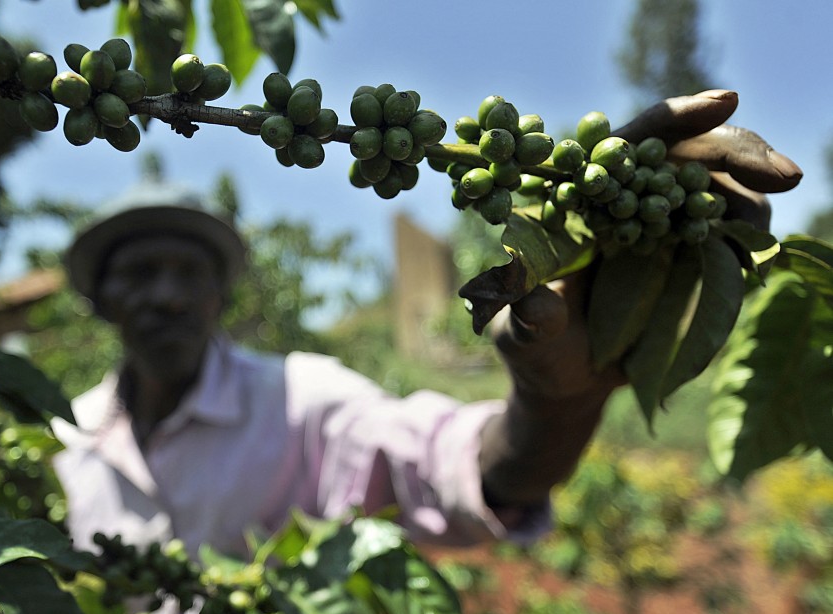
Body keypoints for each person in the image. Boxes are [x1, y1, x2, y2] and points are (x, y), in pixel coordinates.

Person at [51, 90, 802, 562]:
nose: (168, 296)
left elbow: (440, 465)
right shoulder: (62, 440)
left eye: (190, 273)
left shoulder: (302, 403)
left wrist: (553, 405)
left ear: (222, 294)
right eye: (139, 273)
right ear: (97, 299)